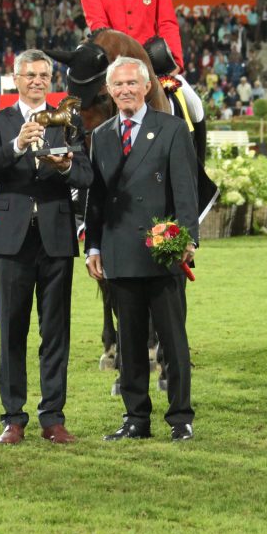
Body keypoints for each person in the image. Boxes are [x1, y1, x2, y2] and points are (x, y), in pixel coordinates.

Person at [0, 50, 93, 445]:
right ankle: (13, 418)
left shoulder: (68, 121)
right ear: (16, 78)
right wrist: (16, 145)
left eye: (44, 75)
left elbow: (86, 173)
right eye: (30, 75)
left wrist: (65, 167)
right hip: (11, 240)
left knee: (56, 331)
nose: (38, 81)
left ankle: (53, 419)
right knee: (12, 330)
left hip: (57, 236)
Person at [84, 55, 199, 442]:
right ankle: (136, 419)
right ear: (110, 91)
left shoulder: (172, 129)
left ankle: (180, 417)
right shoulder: (101, 136)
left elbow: (185, 190)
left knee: (173, 340)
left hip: (163, 252)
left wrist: (188, 239)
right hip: (119, 252)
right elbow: (96, 200)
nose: (125, 91)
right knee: (129, 342)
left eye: (132, 84)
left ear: (147, 85)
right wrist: (93, 246)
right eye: (118, 86)